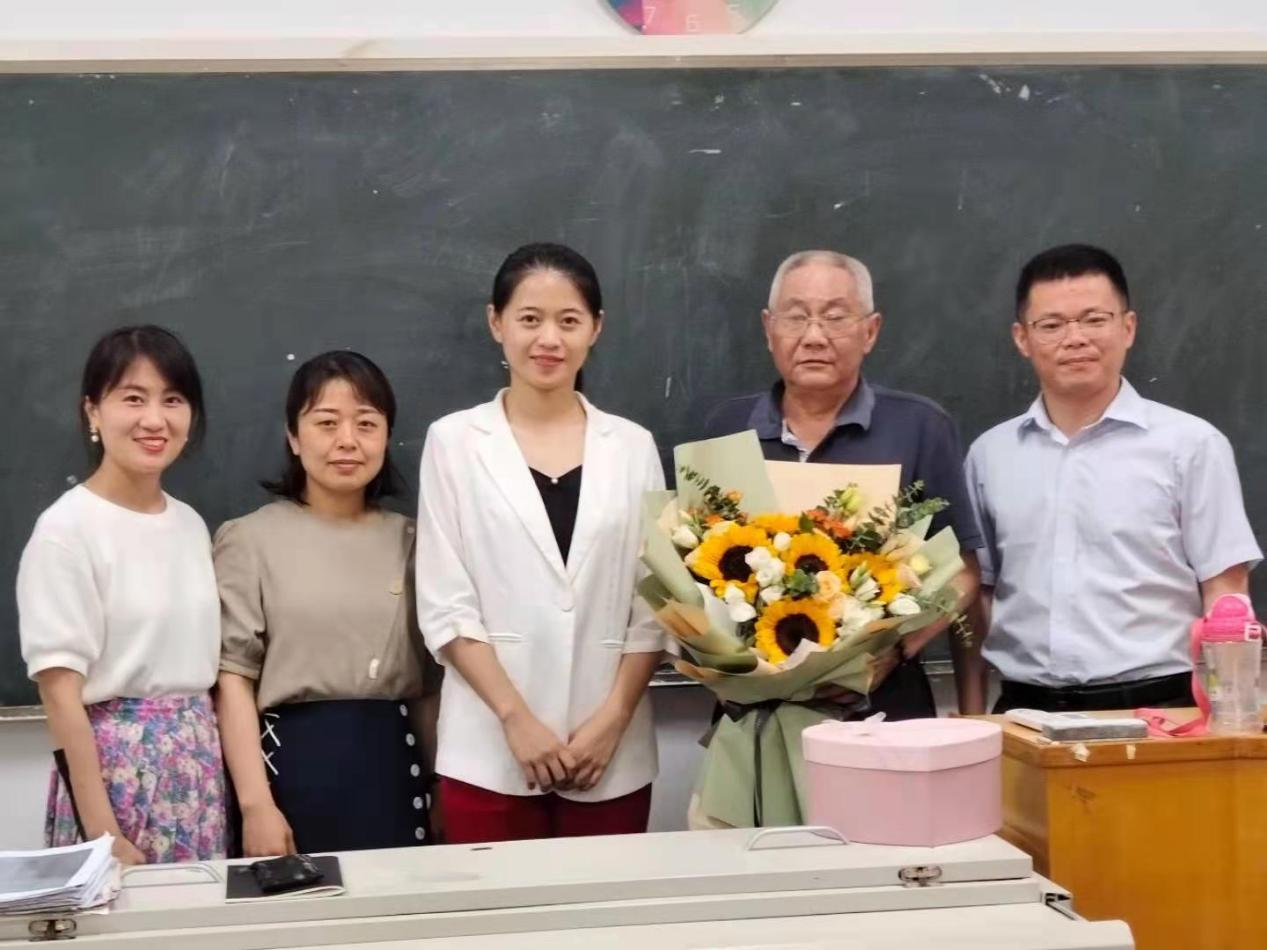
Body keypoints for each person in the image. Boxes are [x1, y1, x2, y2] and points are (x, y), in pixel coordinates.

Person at [416, 242, 664, 844]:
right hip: (489, 748)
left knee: (606, 905)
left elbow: (655, 603)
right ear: (496, 322)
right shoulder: (453, 442)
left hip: (609, 751)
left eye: (568, 321)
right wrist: (516, 719)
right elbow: (446, 604)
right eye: (529, 318)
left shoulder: (633, 447)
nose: (548, 338)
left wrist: (614, 719)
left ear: (596, 328)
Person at [964, 244, 1261, 714]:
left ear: (1128, 328)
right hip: (1023, 714)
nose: (1075, 338)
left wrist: (1230, 716)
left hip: (1161, 711)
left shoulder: (1192, 445)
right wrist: (974, 712)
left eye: (1094, 320)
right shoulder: (990, 455)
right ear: (1022, 338)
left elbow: (1225, 590)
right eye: (1052, 325)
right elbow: (977, 592)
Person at [704, 250, 985, 716]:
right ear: (768, 329)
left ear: (870, 331)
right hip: (755, 708)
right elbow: (697, 570)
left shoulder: (920, 427)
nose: (814, 336)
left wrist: (894, 651)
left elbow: (963, 572)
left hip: (883, 703)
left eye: (835, 317)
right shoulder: (726, 428)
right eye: (797, 317)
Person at [214, 351, 441, 855]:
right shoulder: (249, 540)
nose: (347, 440)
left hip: (394, 772)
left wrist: (438, 786)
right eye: (326, 423)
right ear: (294, 437)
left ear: (386, 435)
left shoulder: (415, 541)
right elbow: (233, 680)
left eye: (366, 423)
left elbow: (427, 687)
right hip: (288, 774)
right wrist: (255, 806)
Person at [17, 325, 224, 864]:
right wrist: (103, 832)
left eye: (172, 400)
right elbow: (59, 693)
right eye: (133, 398)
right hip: (118, 779)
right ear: (93, 411)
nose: (155, 420)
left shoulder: (190, 525)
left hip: (197, 767)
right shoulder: (66, 530)